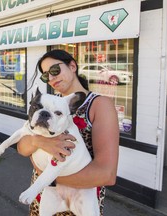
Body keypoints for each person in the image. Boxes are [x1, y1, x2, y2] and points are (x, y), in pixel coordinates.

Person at [17, 49, 119, 216]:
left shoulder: (100, 105)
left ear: (72, 66)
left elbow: (107, 174)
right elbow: (22, 147)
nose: (51, 78)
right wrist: (38, 142)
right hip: (43, 197)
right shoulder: (49, 103)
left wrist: (47, 177)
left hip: (80, 202)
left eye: (55, 70)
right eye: (45, 76)